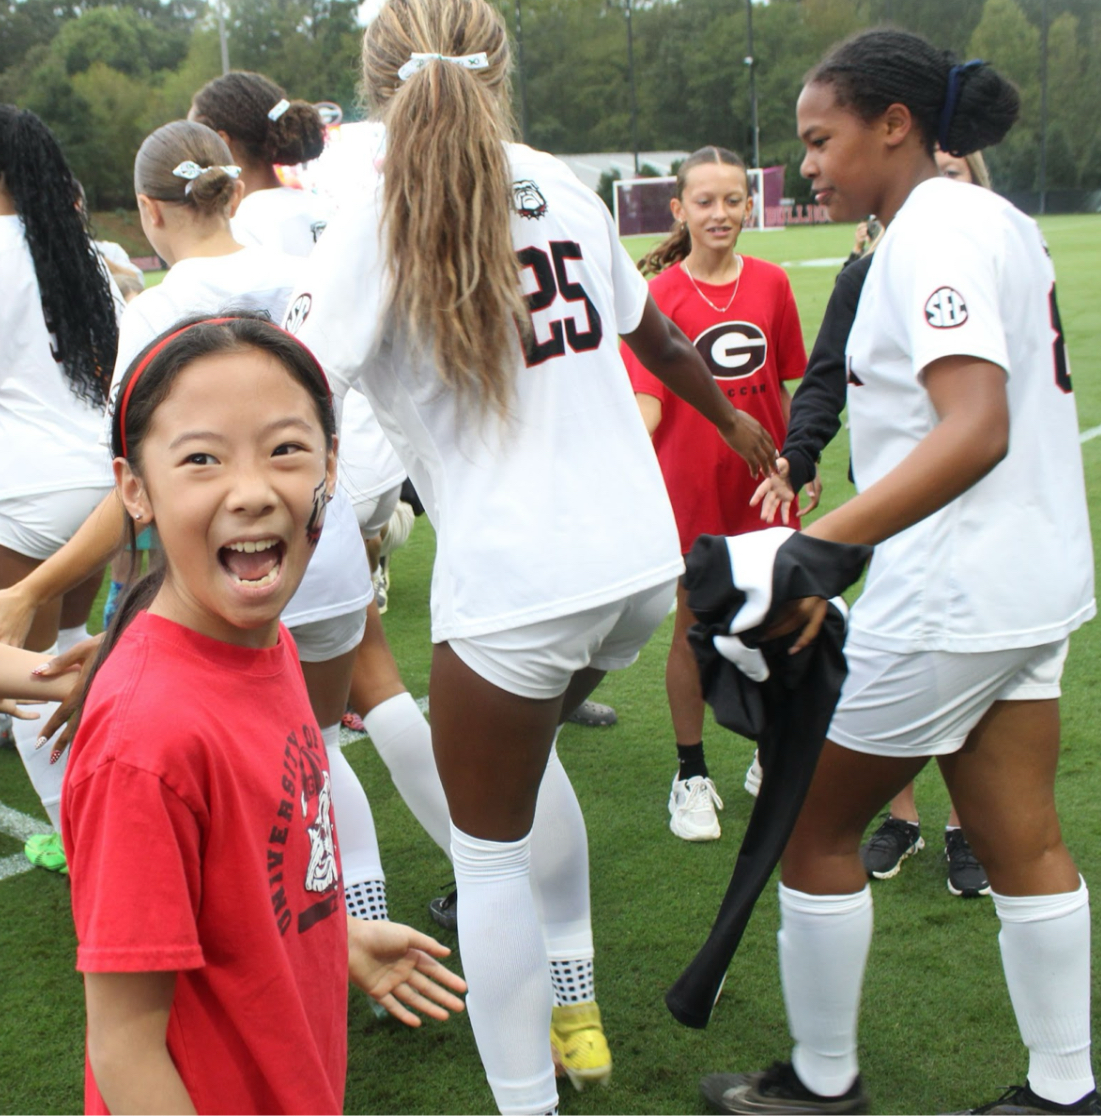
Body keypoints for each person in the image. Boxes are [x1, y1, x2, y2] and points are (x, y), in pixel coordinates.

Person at [285, 1, 775, 1110]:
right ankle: (576, 997)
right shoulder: (560, 179)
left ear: (374, 85)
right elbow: (651, 331)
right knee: (524, 766)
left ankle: (527, 1099)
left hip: (519, 580)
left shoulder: (368, 218)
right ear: (500, 67)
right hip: (640, 569)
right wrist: (732, 420)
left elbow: (294, 385)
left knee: (487, 850)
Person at [701, 30, 1096, 1116]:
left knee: (812, 830)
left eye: (821, 141)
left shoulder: (934, 236)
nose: (808, 166)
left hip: (955, 598)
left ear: (894, 125)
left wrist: (811, 552)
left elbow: (975, 427)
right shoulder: (985, 220)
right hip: (1028, 589)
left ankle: (824, 1083)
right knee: (1025, 841)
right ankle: (1068, 1091)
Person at [62, 312, 465, 1115]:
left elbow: (245, 881)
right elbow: (124, 1049)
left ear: (331, 466)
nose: (251, 491)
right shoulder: (146, 741)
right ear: (135, 489)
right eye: (202, 460)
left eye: (285, 449)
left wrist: (328, 939)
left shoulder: (262, 638)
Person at [626, 145, 806, 842]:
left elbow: (782, 386)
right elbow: (646, 398)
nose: (720, 213)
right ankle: (690, 773)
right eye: (704, 201)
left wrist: (797, 459)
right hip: (689, 490)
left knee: (777, 621)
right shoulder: (658, 297)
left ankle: (768, 755)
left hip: (762, 491)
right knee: (693, 629)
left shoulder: (771, 283)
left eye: (732, 199)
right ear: (678, 210)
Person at [0, 105, 121, 872]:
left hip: (24, 494)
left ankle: (100, 852)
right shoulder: (86, 255)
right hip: (100, 489)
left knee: (24, 677)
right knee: (69, 660)